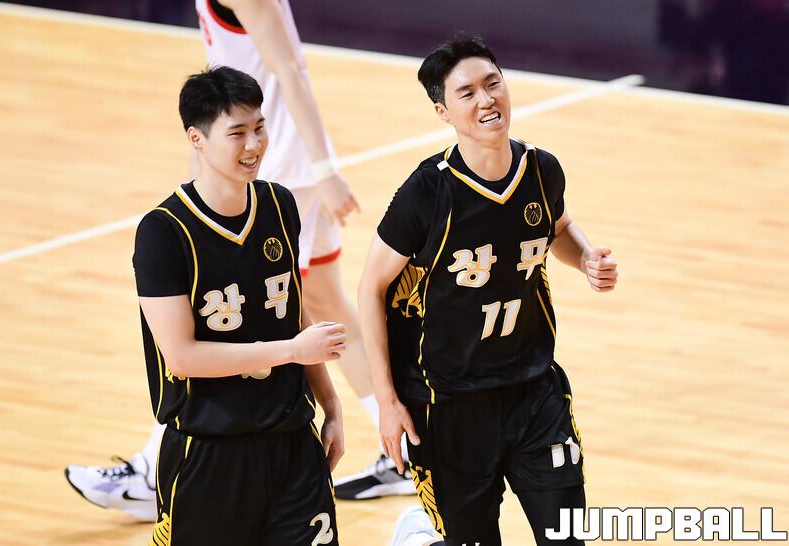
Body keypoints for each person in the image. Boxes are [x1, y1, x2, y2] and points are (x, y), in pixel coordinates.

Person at [65, 0, 412, 520]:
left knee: (251, 315)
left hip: (281, 169)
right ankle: (400, 443)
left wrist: (323, 169)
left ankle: (151, 469)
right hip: (266, 161)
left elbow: (290, 68)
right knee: (323, 301)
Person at [359, 36, 619, 546]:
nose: (486, 100)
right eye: (467, 93)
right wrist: (387, 402)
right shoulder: (427, 192)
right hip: (448, 403)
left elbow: (558, 228)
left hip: (533, 391)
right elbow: (371, 287)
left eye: (493, 83)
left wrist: (587, 256)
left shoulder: (541, 169)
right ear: (443, 112)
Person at [142, 66, 342, 544]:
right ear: (197, 138)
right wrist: (291, 352)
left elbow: (291, 310)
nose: (254, 145)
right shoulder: (163, 232)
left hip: (292, 444)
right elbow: (182, 356)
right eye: (237, 133)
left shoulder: (279, 205)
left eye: (259, 128)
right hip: (210, 454)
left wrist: (331, 404)